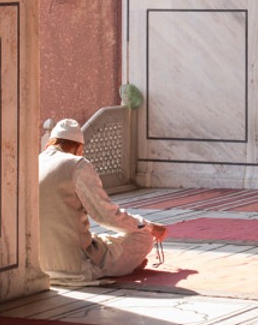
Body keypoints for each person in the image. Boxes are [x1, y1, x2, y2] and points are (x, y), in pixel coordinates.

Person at [38, 117, 167, 285]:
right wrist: (148, 226)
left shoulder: (33, 162)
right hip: (76, 266)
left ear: (49, 144)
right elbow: (107, 216)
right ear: (79, 148)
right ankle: (124, 265)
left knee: (99, 238)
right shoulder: (77, 165)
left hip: (39, 265)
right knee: (144, 237)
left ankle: (125, 263)